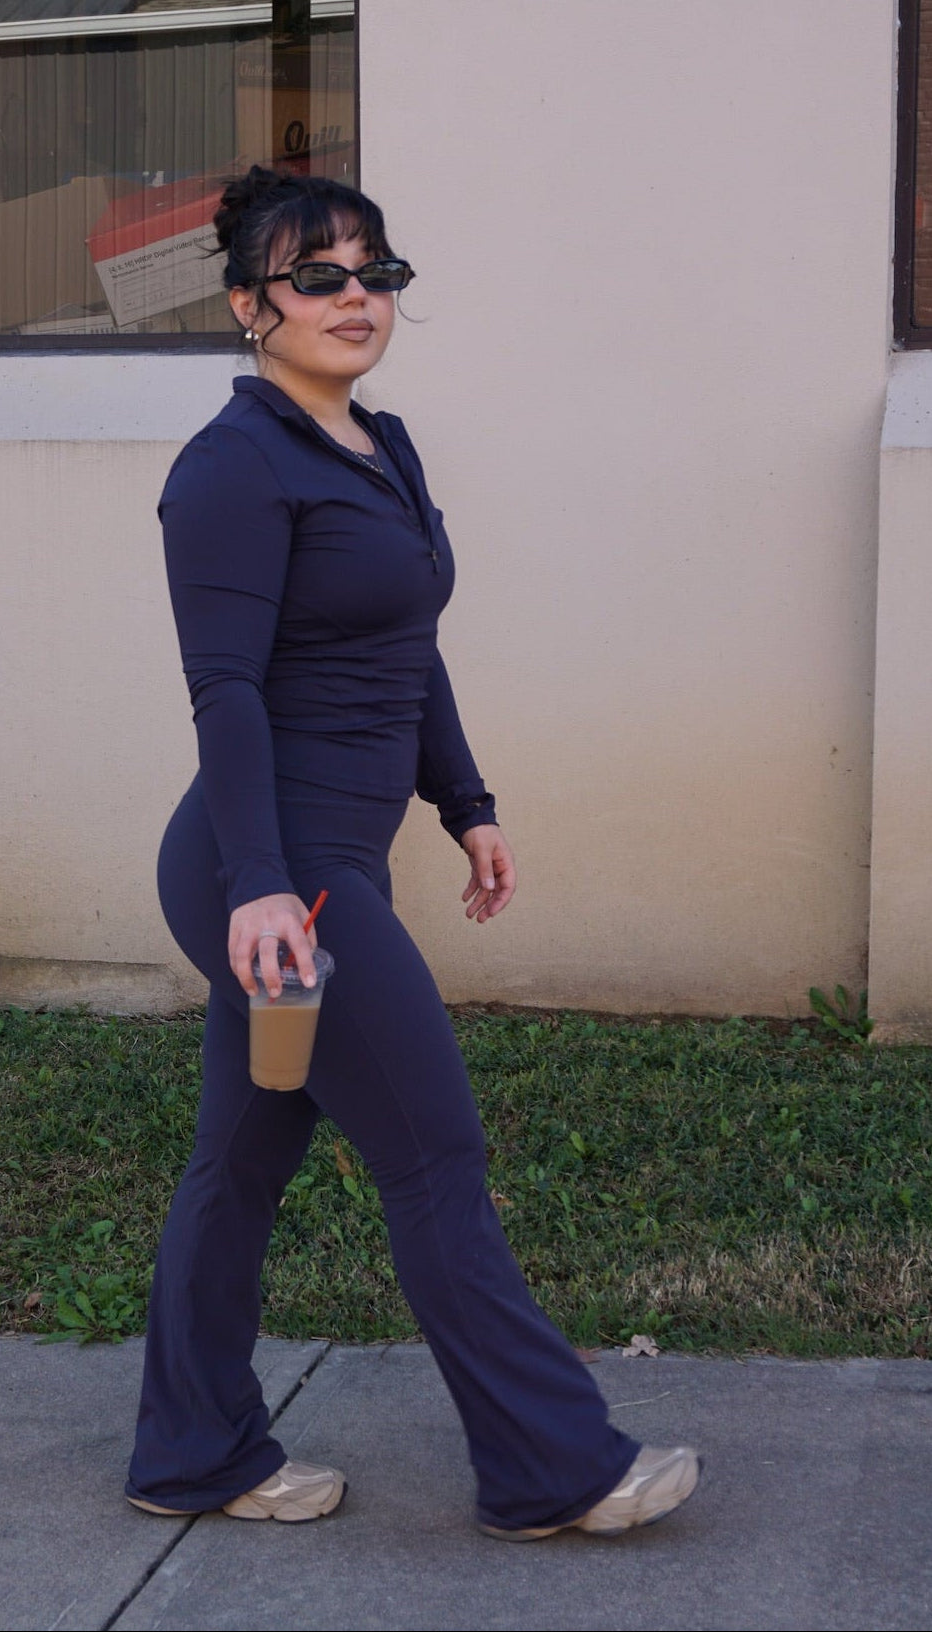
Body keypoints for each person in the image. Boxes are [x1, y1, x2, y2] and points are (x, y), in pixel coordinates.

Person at [125, 165, 700, 1539]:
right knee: (432, 1152)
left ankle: (189, 1451)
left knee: (241, 1162)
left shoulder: (378, 447)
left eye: (372, 271)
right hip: (270, 870)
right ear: (246, 304)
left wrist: (465, 799)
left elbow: (405, 646)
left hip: (326, 861)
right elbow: (228, 692)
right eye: (313, 273)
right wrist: (264, 885)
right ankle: (552, 1467)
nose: (352, 297)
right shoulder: (229, 468)